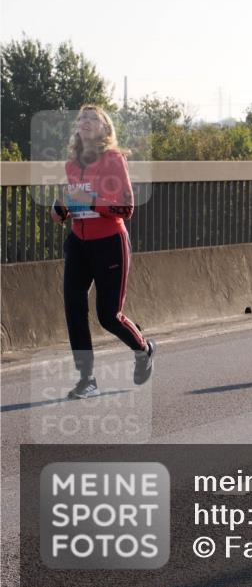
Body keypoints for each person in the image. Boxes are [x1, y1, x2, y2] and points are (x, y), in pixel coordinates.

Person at [50, 104, 155, 399]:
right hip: (79, 244)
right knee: (73, 308)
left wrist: (91, 201)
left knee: (108, 316)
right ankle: (87, 379)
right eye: (81, 118)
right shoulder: (72, 164)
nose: (85, 121)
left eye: (92, 119)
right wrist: (61, 210)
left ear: (104, 129)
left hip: (109, 243)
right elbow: (74, 203)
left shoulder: (113, 159)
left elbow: (127, 207)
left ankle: (143, 349)